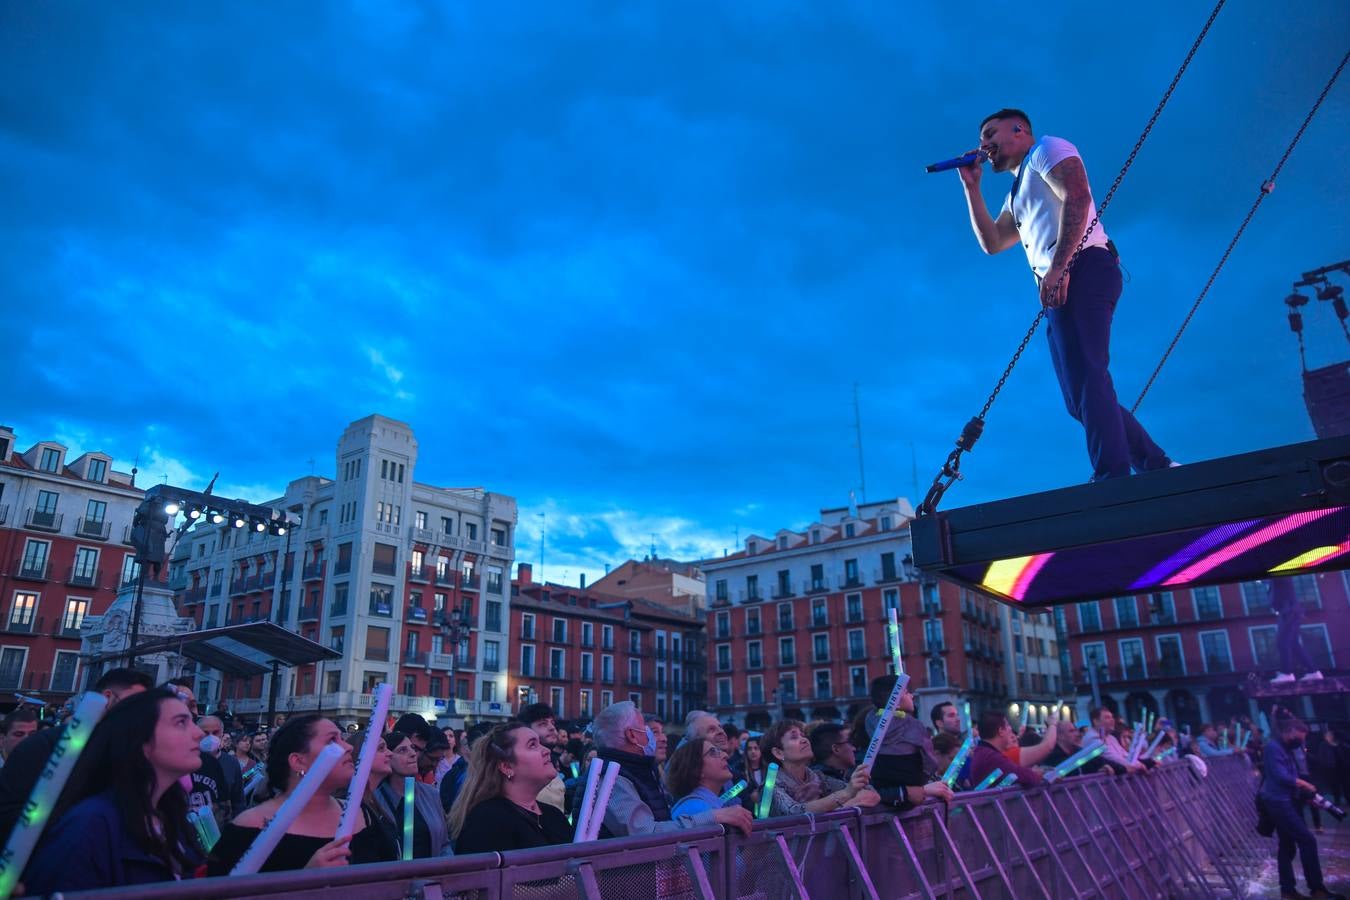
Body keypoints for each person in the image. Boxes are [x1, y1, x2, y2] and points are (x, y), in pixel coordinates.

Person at [956, 108, 1172, 481]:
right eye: (981, 140)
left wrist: (1058, 267)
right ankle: (1159, 465)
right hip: (1058, 284)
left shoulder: (1046, 149)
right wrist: (971, 187)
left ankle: (1113, 477)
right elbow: (992, 242)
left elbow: (1078, 195)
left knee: (1090, 374)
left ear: (1019, 130)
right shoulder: (1016, 193)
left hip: (1083, 266)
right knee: (1078, 400)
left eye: (991, 134)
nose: (984, 145)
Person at [23, 688, 204, 893]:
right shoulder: (90, 825)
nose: (199, 733)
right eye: (181, 722)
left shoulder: (171, 818)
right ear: (140, 740)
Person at [207, 715, 391, 874]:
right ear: (298, 761)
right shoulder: (249, 826)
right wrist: (304, 880)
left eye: (342, 739)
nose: (348, 747)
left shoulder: (362, 814)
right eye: (332, 741)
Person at [0, 667, 153, 850]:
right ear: (108, 698)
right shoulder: (42, 746)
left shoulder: (131, 754)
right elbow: (9, 815)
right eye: (134, 705)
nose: (139, 715)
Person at [572, 701, 751, 836]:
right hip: (625, 883)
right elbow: (647, 833)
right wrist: (713, 817)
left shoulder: (633, 771)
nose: (659, 737)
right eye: (645, 727)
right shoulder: (610, 778)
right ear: (632, 735)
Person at [451, 722, 573, 854]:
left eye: (540, 743)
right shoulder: (487, 821)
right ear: (507, 767)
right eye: (532, 745)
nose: (546, 751)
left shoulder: (554, 815)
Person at [1259, 716, 1344, 900]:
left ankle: (1288, 891)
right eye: (1298, 738)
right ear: (1287, 733)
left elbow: (1290, 775)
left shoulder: (1285, 748)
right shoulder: (1273, 748)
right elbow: (1282, 777)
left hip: (1286, 800)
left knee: (1287, 846)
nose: (1300, 742)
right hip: (1278, 802)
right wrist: (1305, 785)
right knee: (1307, 840)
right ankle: (1317, 889)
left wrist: (1305, 797)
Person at [761, 719, 879, 816]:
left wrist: (838, 809)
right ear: (778, 753)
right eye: (794, 737)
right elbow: (794, 812)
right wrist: (846, 794)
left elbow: (871, 793)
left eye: (803, 735)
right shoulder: (770, 785)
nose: (804, 740)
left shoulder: (818, 777)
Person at [376, 730, 453, 857]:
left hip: (431, 874)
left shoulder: (431, 794)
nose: (413, 754)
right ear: (388, 757)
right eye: (402, 750)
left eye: (412, 748)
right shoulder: (376, 800)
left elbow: (444, 844)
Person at [345, 730, 401, 861]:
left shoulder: (374, 800)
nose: (390, 753)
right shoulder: (351, 806)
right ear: (361, 755)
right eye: (381, 749)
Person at [1269, 578, 1324, 684]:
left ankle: (1286, 673)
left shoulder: (1278, 578)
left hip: (1288, 610)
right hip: (1290, 610)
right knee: (1293, 644)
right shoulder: (1273, 581)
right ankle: (1313, 672)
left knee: (1282, 642)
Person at [969, 712, 1044, 788]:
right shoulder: (991, 757)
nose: (1011, 730)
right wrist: (1035, 774)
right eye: (1008, 725)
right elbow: (1023, 775)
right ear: (1001, 731)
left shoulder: (983, 752)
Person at [668, 737, 737, 818]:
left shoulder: (704, 805)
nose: (725, 755)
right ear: (696, 769)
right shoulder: (697, 811)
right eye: (713, 753)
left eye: (719, 751)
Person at [519, 702, 566, 812]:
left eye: (552, 723)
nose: (552, 728)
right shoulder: (521, 769)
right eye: (543, 724)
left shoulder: (552, 763)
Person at [1084, 708, 1144, 773]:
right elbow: (1113, 757)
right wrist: (1138, 766)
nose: (1112, 720)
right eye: (1107, 717)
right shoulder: (1092, 738)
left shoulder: (1111, 738)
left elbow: (1125, 754)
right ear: (1096, 721)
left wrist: (1139, 764)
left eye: (1112, 717)